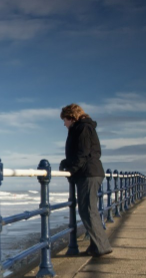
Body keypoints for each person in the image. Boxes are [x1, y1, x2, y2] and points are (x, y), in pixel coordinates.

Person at [59, 103, 112, 257]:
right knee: (89, 210)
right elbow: (80, 153)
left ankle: (102, 246)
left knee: (88, 210)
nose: (64, 124)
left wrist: (71, 170)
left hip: (88, 173)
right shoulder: (83, 127)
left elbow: (83, 153)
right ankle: (96, 246)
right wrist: (66, 163)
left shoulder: (82, 128)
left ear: (71, 117)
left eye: (65, 120)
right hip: (89, 172)